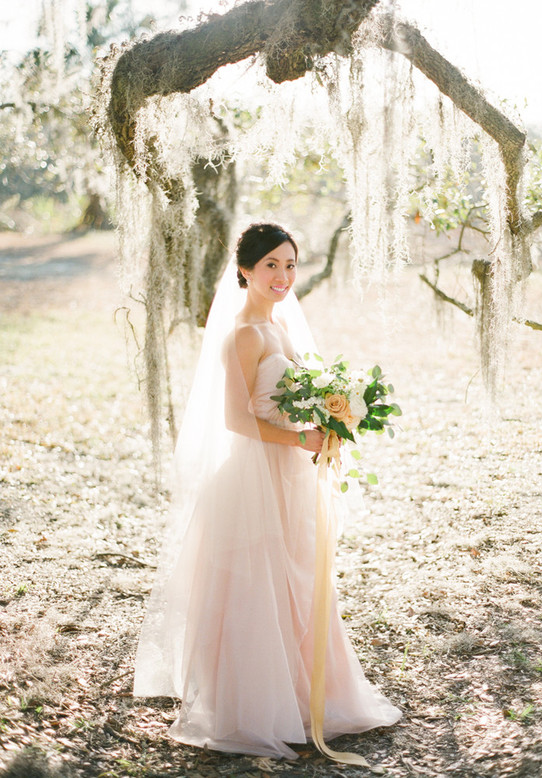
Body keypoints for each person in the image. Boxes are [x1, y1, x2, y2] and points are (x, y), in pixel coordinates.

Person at [133, 223, 401, 761]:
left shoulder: (281, 326)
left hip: (290, 473)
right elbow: (235, 418)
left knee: (299, 582)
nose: (283, 276)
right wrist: (299, 437)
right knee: (256, 588)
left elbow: (300, 396)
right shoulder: (245, 335)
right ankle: (255, 705)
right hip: (253, 477)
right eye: (271, 265)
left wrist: (332, 418)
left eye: (290, 264)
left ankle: (303, 695)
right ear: (245, 271)